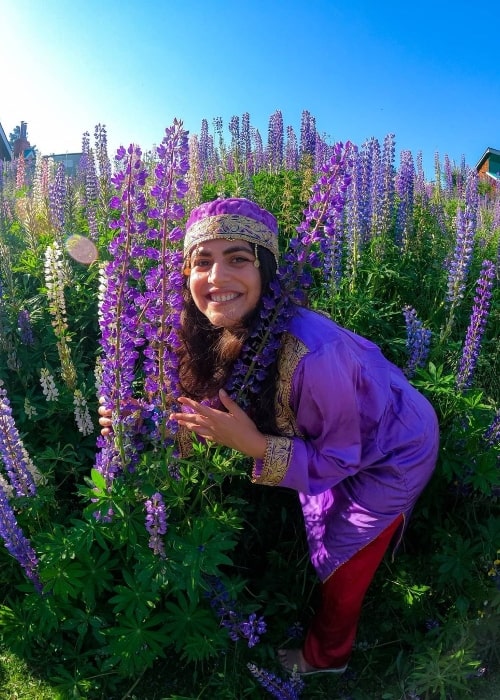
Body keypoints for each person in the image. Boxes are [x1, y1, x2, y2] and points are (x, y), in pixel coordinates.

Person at [99, 197, 439, 676]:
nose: (216, 278)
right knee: (319, 506)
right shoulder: (204, 324)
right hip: (339, 426)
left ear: (268, 273)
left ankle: (327, 658)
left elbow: (340, 458)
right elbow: (203, 406)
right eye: (202, 262)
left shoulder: (311, 355)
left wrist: (253, 445)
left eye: (238, 258)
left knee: (345, 559)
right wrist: (139, 418)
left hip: (391, 448)